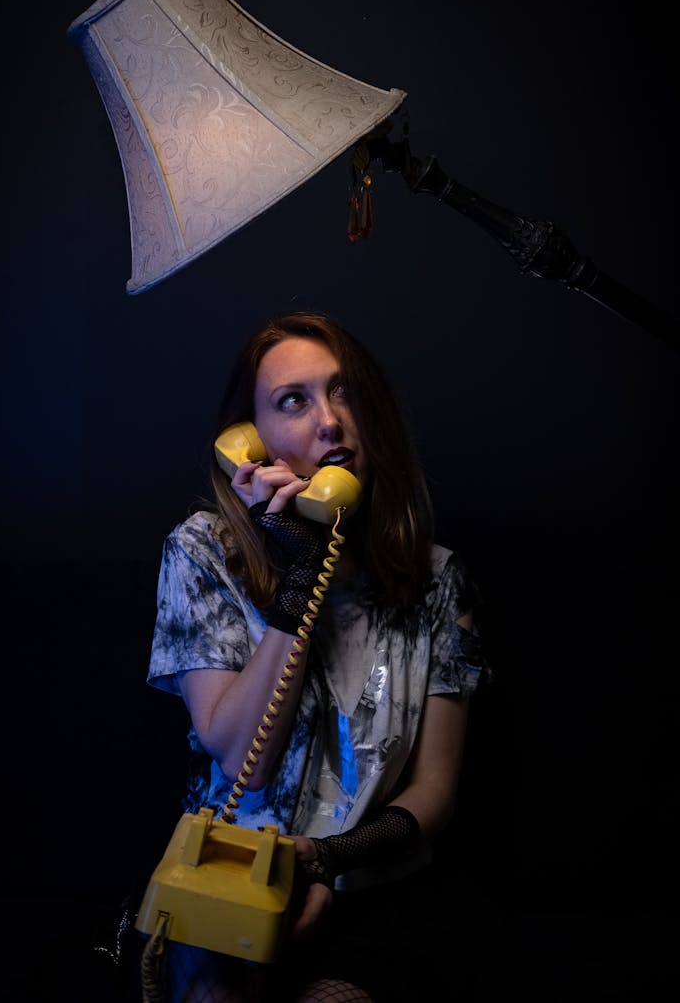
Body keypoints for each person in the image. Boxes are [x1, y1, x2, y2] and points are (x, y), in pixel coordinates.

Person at [140, 310, 493, 1002]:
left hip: (372, 894)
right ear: (247, 441)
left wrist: (329, 859)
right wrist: (298, 579)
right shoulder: (201, 553)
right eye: (293, 401)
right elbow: (246, 761)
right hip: (228, 877)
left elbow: (436, 789)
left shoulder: (437, 578)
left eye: (344, 392)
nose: (329, 422)